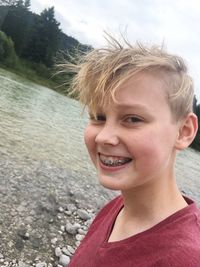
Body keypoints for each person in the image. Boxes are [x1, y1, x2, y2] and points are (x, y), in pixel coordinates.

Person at [66, 35, 200, 266]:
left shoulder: (185, 258)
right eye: (98, 117)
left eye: (133, 119)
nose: (104, 136)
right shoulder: (118, 206)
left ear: (184, 131)